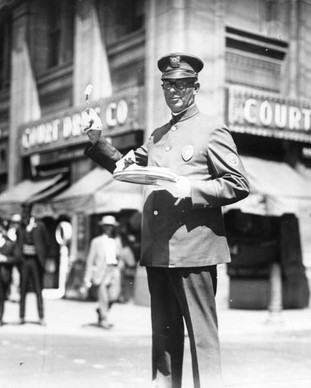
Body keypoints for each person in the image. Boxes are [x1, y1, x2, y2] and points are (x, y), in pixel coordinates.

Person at [80, 53, 250, 387]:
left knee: (202, 340)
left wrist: (193, 188)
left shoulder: (211, 129)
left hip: (194, 252)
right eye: (168, 85)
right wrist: (97, 140)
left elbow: (239, 184)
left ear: (195, 87)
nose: (174, 91)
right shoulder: (157, 135)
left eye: (182, 85)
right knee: (164, 343)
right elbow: (127, 168)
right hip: (159, 252)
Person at [82, 215, 125, 329]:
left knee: (114, 296)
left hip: (114, 270)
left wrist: (120, 266)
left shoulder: (117, 241)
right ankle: (104, 319)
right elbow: (90, 260)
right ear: (102, 227)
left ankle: (100, 310)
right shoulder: (96, 242)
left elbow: (121, 257)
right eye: (106, 226)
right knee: (103, 297)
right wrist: (87, 277)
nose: (108, 228)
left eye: (110, 226)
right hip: (102, 271)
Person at [17, 204, 48, 325]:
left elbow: (46, 241)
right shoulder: (21, 227)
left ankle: (41, 316)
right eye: (23, 212)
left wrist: (43, 256)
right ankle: (21, 316)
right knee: (23, 288)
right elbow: (18, 243)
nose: (25, 215)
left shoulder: (39, 226)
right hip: (25, 261)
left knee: (38, 289)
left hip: (36, 260)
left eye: (27, 212)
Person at [7, 213, 22, 302]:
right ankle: (11, 294)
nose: (16, 224)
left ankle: (16, 294)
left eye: (18, 222)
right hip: (11, 258)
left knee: (17, 277)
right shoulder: (11, 232)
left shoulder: (21, 231)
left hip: (19, 259)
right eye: (14, 222)